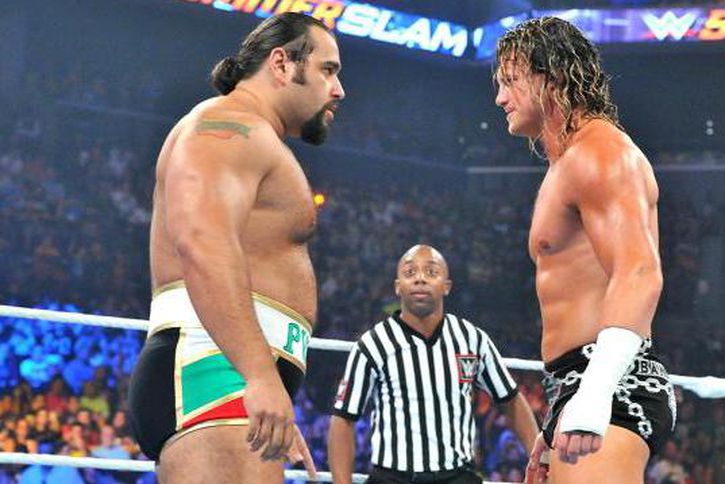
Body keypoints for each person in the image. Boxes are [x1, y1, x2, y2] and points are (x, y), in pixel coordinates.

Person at [128, 12, 344, 483]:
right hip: (214, 369)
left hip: (229, 373)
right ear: (281, 64)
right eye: (328, 70)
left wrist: (266, 383)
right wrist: (259, 377)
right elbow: (201, 242)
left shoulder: (252, 135)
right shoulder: (226, 125)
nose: (338, 90)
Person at [494, 17, 675, 483]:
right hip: (577, 381)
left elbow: (639, 273)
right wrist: (561, 412)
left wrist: (595, 393)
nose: (500, 98)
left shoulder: (601, 152)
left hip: (613, 382)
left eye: (510, 81)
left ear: (551, 77)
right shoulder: (565, 163)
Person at [328, 245, 539, 483]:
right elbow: (343, 418)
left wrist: (539, 459)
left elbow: (510, 398)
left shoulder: (471, 338)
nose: (420, 279)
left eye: (431, 272)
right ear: (398, 286)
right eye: (410, 272)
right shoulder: (373, 344)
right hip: (393, 478)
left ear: (446, 286)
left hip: (457, 475)